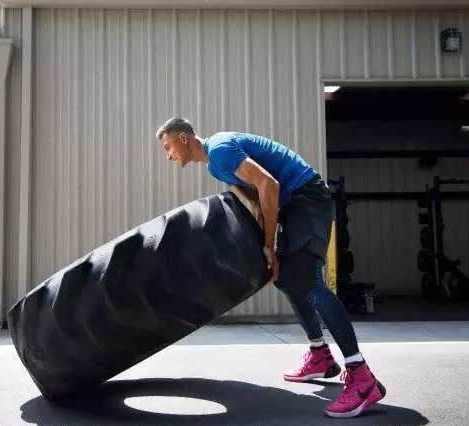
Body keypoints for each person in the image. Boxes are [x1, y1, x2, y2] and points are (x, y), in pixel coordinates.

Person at [155, 117, 386, 418]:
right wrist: (270, 249)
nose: (168, 155)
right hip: (293, 206)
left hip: (308, 197)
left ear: (184, 138)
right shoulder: (215, 165)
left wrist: (268, 243)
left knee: (309, 282)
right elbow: (256, 198)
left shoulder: (222, 149)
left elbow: (269, 184)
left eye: (168, 146)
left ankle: (361, 375)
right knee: (284, 278)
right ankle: (319, 354)